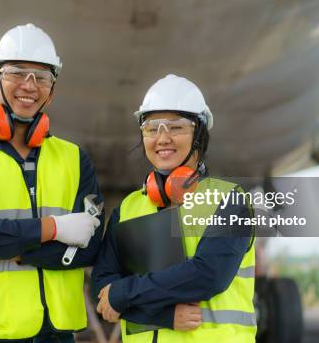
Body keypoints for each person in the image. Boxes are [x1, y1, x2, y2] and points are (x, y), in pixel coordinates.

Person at [0, 23, 104, 343]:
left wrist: (14, 252)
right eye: (16, 72)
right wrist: (54, 229)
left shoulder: (75, 159)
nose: (29, 84)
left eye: (41, 77)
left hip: (56, 333)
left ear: (51, 92)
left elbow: (91, 246)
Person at [91, 74, 256, 342]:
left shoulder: (230, 201)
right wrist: (163, 317)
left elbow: (207, 276)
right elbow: (102, 289)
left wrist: (124, 294)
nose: (162, 138)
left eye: (176, 127)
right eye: (151, 128)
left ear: (200, 134)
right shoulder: (129, 208)